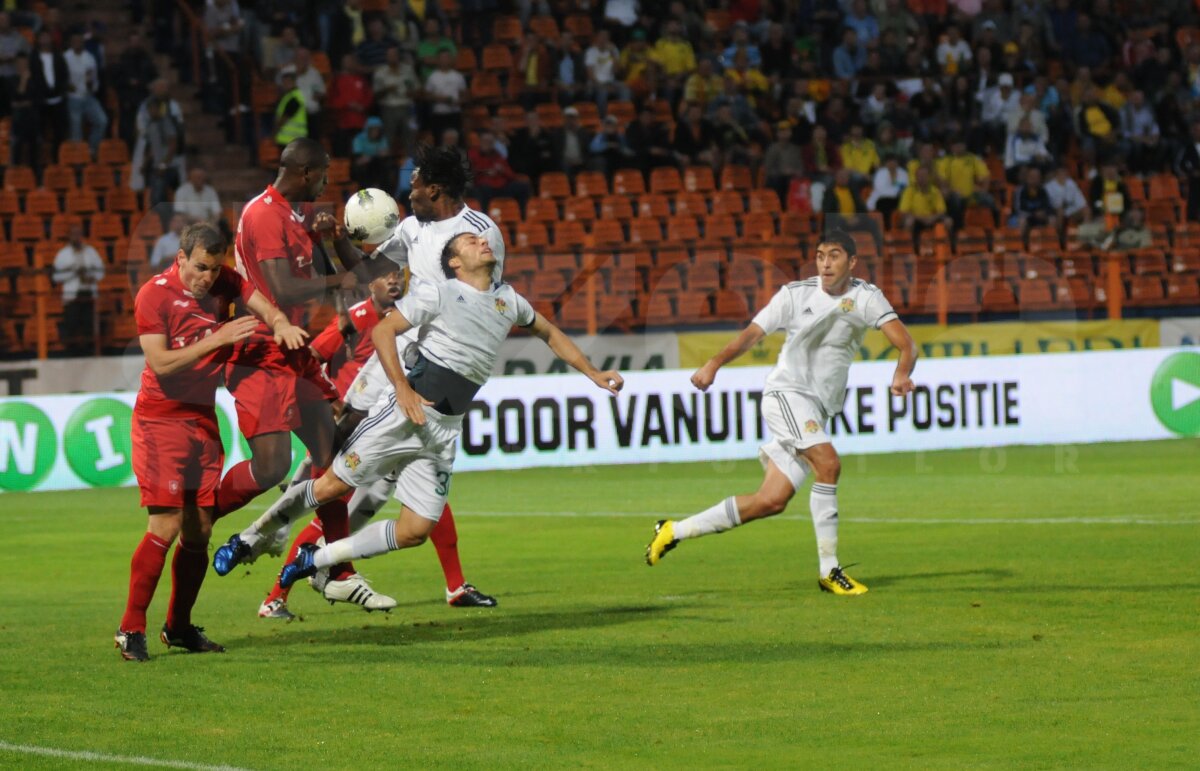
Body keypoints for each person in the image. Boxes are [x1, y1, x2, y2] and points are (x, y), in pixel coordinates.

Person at [217, 233, 625, 589]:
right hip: (403, 416)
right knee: (330, 488)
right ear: (454, 262)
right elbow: (383, 330)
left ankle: (317, 559)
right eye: (471, 242)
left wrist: (592, 372)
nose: (483, 242)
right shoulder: (440, 293)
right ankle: (249, 538)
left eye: (482, 239)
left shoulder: (508, 299)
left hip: (445, 429)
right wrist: (401, 387)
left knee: (415, 531)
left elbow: (549, 332)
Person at [239, 146, 507, 611]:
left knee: (410, 474)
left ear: (435, 190)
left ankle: (444, 583)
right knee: (341, 452)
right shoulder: (411, 229)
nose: (408, 192)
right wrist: (337, 241)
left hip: (438, 364)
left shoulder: (480, 234)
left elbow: (481, 298)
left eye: (415, 185)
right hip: (399, 354)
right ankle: (277, 534)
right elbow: (369, 272)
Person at [645, 230, 917, 595]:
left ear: (852, 262)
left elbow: (906, 345)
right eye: (820, 255)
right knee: (829, 464)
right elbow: (751, 334)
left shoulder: (866, 297)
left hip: (817, 408)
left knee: (771, 501)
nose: (825, 264)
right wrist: (713, 363)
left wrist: (901, 374)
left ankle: (673, 530)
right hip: (787, 394)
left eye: (834, 256)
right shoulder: (795, 294)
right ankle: (829, 570)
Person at [214, 138, 393, 611]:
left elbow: (313, 278)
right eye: (324, 173)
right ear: (307, 172)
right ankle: (207, 513)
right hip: (260, 351)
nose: (327, 182)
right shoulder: (263, 214)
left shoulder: (293, 217)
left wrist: (322, 240)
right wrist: (340, 280)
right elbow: (282, 288)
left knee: (332, 457)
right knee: (272, 467)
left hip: (292, 350)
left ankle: (340, 571)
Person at [115, 222, 307, 661]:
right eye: (200, 267)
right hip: (161, 420)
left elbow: (263, 305)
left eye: (215, 269)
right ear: (181, 257)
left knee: (199, 531)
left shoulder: (226, 283)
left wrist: (280, 324)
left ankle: (178, 627)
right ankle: (130, 628)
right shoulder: (154, 295)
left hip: (202, 420)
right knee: (165, 525)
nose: (207, 277)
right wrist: (217, 339)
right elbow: (161, 363)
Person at [256, 258, 404, 619]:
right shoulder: (358, 317)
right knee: (329, 515)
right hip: (351, 429)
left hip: (383, 425)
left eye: (397, 275)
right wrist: (330, 400)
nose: (394, 281)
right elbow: (313, 354)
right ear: (370, 286)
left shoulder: (404, 317)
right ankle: (278, 591)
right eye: (385, 276)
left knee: (348, 517)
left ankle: (316, 571)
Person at [53, 223, 104, 356]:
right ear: (69, 236)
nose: (76, 237)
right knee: (72, 324)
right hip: (72, 295)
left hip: (88, 293)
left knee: (89, 325)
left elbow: (101, 271)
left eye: (78, 234)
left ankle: (89, 352)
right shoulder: (63, 254)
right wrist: (73, 272)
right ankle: (72, 353)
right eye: (73, 234)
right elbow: (56, 276)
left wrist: (91, 276)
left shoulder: (91, 252)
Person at [64, 31, 107, 156]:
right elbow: (61, 79)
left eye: (79, 41)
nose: (77, 43)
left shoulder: (89, 58)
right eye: (75, 41)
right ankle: (78, 158)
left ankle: (92, 150)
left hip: (88, 97)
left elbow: (95, 81)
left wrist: (91, 85)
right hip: (72, 98)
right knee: (76, 129)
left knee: (102, 121)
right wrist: (67, 87)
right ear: (71, 42)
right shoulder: (65, 57)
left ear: (83, 42)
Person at [273, 65, 307, 148]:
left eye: (287, 82)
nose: (284, 84)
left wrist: (275, 131)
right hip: (289, 140)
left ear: (293, 81)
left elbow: (284, 118)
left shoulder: (294, 98)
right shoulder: (289, 96)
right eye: (283, 82)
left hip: (291, 140)